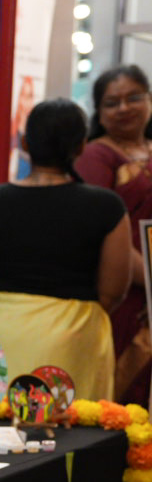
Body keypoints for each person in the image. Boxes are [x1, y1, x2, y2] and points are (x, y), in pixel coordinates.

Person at [0, 98, 131, 402]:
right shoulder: (106, 207)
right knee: (70, 433)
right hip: (74, 333)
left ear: (26, 144)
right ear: (81, 146)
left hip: (0, 327)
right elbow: (114, 290)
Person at [76, 66, 152, 404]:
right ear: (100, 114)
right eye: (112, 102)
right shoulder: (97, 155)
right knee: (121, 401)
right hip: (124, 293)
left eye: (134, 97)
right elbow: (96, 229)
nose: (124, 108)